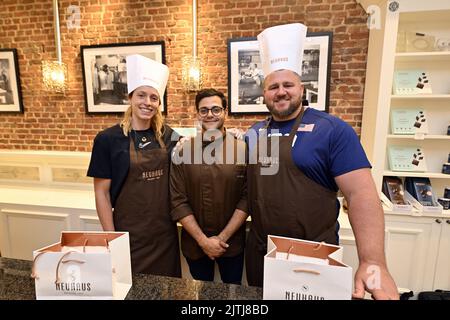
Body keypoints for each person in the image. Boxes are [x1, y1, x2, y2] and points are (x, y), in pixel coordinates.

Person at [245, 23, 399, 300]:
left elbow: (361, 194)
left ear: (301, 89)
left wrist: (373, 262)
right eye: (273, 86)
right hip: (262, 253)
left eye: (288, 85)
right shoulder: (254, 133)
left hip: (313, 256)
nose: (281, 92)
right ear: (264, 93)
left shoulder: (333, 130)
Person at [87, 54, 181, 277]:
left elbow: (199, 151)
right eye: (141, 95)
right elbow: (102, 194)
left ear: (159, 103)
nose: (147, 103)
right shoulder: (107, 139)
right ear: (130, 97)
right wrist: (111, 238)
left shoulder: (167, 135)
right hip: (128, 235)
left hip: (164, 234)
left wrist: (232, 137)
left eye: (153, 98)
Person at [170, 89, 248, 284]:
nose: (210, 114)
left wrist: (221, 238)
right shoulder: (183, 150)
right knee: (202, 294)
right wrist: (203, 241)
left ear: (225, 112)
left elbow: (247, 198)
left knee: (233, 292)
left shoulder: (243, 149)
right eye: (203, 110)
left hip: (231, 243)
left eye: (216, 109)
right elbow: (178, 200)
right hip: (194, 244)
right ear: (197, 114)